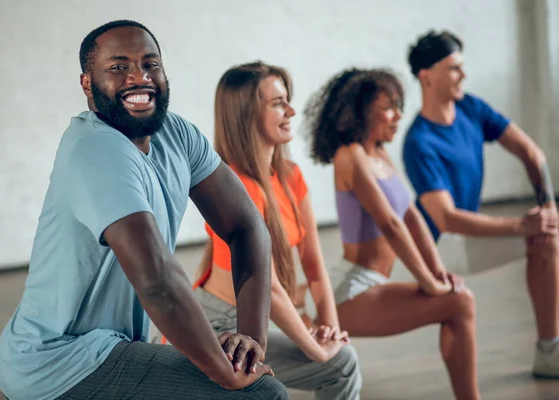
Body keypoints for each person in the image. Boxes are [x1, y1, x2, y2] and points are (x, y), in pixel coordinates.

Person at [0, 20, 289, 400]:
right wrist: (225, 373)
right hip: (58, 361)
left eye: (150, 64)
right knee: (261, 395)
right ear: (87, 84)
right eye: (118, 67)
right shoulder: (95, 150)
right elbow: (157, 281)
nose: (139, 77)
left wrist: (251, 339)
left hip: (110, 348)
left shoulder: (177, 134)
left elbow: (247, 226)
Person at [188, 61, 361, 400]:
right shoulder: (233, 188)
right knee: (339, 366)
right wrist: (315, 348)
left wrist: (330, 329)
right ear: (247, 114)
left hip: (254, 318)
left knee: (340, 358)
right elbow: (270, 290)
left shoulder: (289, 175)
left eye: (288, 99)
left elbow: (313, 261)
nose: (291, 110)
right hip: (220, 324)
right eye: (278, 102)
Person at [305, 68, 480, 399]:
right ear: (361, 111)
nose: (398, 115)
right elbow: (391, 224)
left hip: (372, 284)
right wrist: (429, 284)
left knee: (458, 302)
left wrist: (436, 269)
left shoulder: (379, 154)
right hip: (351, 290)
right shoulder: (351, 155)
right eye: (388, 107)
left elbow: (411, 216)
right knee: (458, 303)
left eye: (398, 105)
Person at [402, 30, 559, 378]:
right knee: (543, 237)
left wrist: (546, 205)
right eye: (454, 68)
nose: (464, 74)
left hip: (469, 232)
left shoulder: (470, 107)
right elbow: (446, 220)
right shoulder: (419, 141)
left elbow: (532, 153)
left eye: (462, 67)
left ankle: (550, 350)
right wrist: (523, 225)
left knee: (547, 232)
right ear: (426, 77)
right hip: (444, 247)